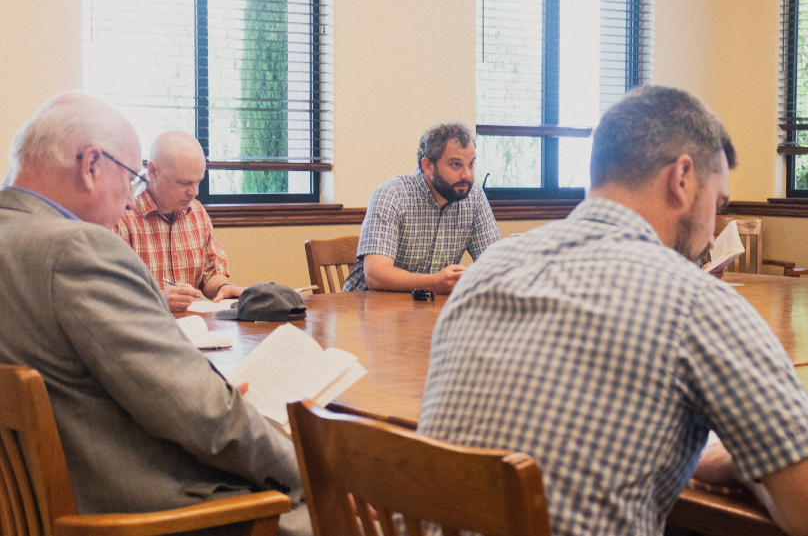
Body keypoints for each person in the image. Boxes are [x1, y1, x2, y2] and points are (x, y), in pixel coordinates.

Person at [417, 86, 808, 536]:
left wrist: (716, 457)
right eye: (717, 204)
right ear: (682, 178)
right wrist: (752, 463)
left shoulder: (487, 271)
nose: (714, 236)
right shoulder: (693, 301)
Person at [0, 92, 309, 536]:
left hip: (36, 505)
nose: (130, 202)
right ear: (89, 165)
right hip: (139, 513)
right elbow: (203, 415)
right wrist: (311, 473)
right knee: (366, 510)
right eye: (128, 180)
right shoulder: (79, 250)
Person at [341, 121, 501, 293]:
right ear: (428, 166)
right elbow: (376, 275)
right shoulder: (391, 194)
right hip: (366, 310)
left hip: (427, 311)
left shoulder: (474, 196)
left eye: (470, 164)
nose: (467, 175)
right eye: (456, 165)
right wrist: (433, 283)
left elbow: (494, 265)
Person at [115, 131, 244, 312]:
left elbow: (209, 274)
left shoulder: (197, 211)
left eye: (198, 182)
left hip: (194, 329)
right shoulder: (120, 214)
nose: (194, 192)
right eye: (185, 183)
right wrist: (158, 299)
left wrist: (223, 288)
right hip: (143, 327)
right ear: (153, 171)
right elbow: (108, 292)